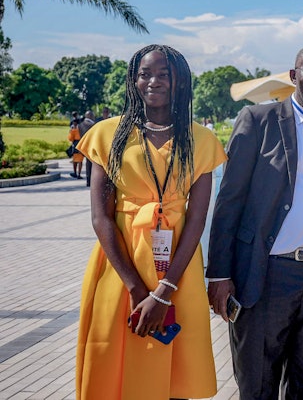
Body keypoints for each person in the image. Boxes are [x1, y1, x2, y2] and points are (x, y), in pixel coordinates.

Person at [75, 45, 227, 400]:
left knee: (177, 374)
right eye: (145, 73)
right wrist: (137, 289)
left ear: (180, 83)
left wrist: (165, 290)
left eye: (164, 74)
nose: (153, 81)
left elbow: (197, 219)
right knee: (115, 366)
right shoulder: (106, 134)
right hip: (119, 267)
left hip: (178, 270)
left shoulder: (201, 140)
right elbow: (101, 217)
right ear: (134, 79)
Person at [207, 44, 303, 400]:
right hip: (265, 274)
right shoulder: (258, 121)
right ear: (293, 76)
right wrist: (219, 274)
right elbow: (229, 201)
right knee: (258, 382)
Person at [79, 110, 97, 186]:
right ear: (89, 116)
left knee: (87, 163)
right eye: (92, 115)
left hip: (84, 146)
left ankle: (88, 180)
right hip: (93, 146)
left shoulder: (81, 125)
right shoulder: (93, 125)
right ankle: (92, 180)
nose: (93, 117)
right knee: (93, 165)